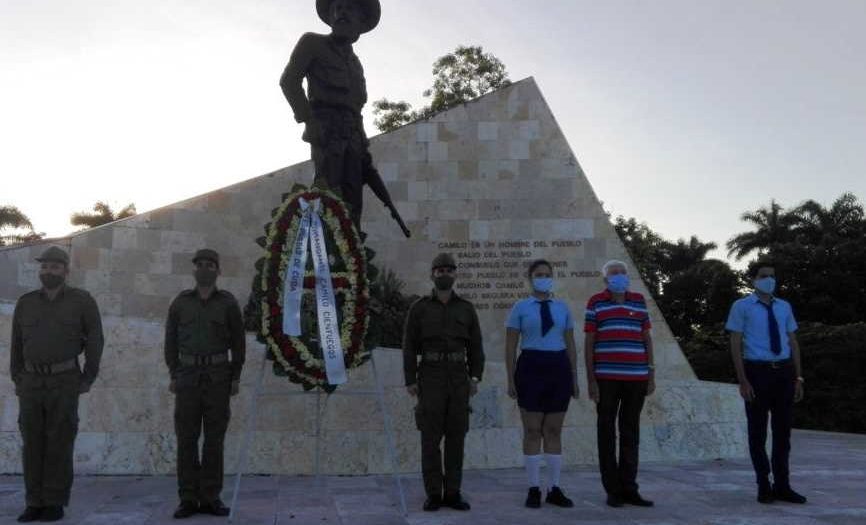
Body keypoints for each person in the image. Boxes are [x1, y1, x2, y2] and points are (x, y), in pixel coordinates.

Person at [280, 0, 409, 237]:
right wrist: (310, 121)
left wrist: (363, 148)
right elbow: (289, 81)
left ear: (361, 22)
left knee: (353, 208)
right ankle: (321, 266)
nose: (341, 13)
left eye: (349, 9)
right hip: (326, 132)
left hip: (353, 138)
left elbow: (356, 110)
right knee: (328, 198)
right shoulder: (312, 43)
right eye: (337, 8)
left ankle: (352, 265)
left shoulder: (357, 65)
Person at [10, 246, 104, 523]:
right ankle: (33, 502)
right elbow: (16, 344)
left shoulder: (82, 301)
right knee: (32, 442)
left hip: (64, 381)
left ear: (65, 271)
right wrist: (17, 376)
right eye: (44, 267)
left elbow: (95, 340)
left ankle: (54, 502)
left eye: (54, 267)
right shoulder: (26, 303)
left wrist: (88, 377)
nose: (47, 271)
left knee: (59, 442)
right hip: (31, 382)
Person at [165, 249, 246, 519]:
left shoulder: (227, 303)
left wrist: (235, 376)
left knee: (214, 440)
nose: (204, 269)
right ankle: (187, 498)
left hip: (218, 377)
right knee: (186, 439)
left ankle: (211, 497)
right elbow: (171, 342)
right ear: (194, 270)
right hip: (187, 377)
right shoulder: (181, 303)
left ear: (218, 270)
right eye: (200, 265)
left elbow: (238, 343)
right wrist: (174, 374)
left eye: (210, 265)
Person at [402, 253, 485, 512]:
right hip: (431, 376)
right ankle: (433, 494)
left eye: (449, 270)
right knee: (430, 438)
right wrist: (410, 379)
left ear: (455, 274)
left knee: (456, 437)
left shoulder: (466, 308)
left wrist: (475, 377)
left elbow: (476, 346)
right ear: (432, 274)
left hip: (459, 378)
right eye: (440, 270)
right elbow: (408, 347)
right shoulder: (419, 308)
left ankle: (453, 492)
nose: (444, 274)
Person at [725, 260, 807, 504]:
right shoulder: (742, 306)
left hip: (783, 372)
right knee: (758, 432)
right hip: (757, 372)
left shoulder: (784, 306)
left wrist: (798, 377)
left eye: (772, 275)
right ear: (753, 280)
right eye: (763, 276)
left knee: (783, 433)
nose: (769, 280)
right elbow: (735, 343)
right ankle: (764, 484)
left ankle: (783, 485)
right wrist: (742, 380)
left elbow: (792, 341)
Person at [505, 259, 580, 509]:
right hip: (530, 367)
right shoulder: (520, 307)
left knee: (554, 430)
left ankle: (554, 488)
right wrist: (510, 377)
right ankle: (534, 488)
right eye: (539, 274)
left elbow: (570, 344)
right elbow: (510, 346)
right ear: (530, 278)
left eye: (547, 274)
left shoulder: (562, 308)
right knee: (533, 430)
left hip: (558, 368)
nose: (543, 278)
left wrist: (574, 376)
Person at [584, 259, 655, 508]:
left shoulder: (638, 301)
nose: (619, 277)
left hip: (636, 378)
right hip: (606, 379)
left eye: (623, 273)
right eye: (614, 274)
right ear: (605, 280)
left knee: (630, 432)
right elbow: (589, 341)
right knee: (606, 432)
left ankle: (629, 487)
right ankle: (612, 489)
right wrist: (591, 379)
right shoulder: (596, 302)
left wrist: (651, 373)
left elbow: (646, 338)